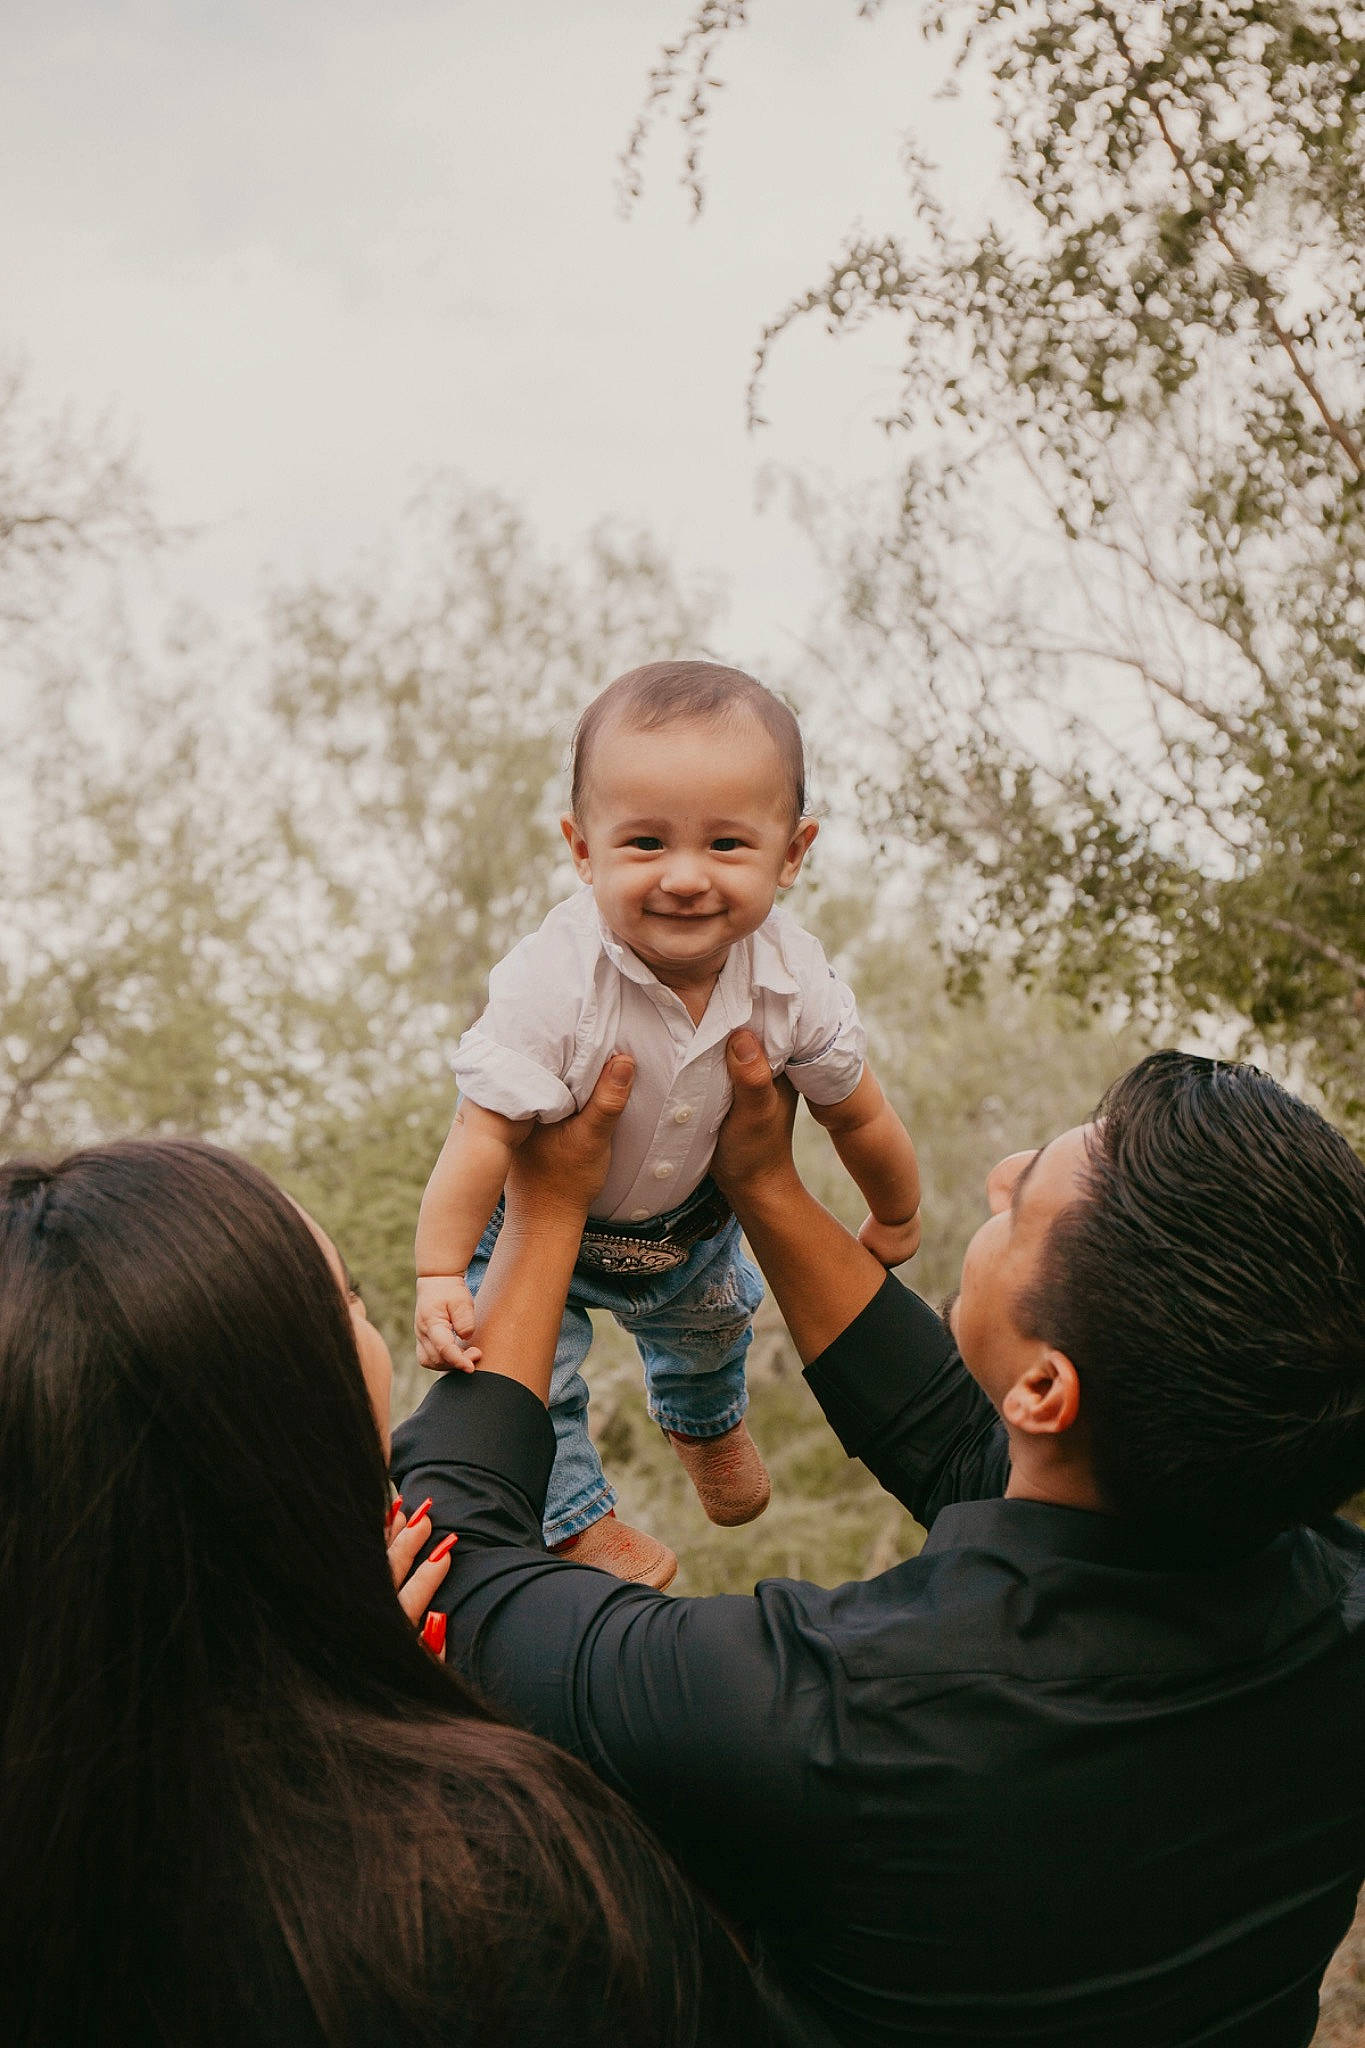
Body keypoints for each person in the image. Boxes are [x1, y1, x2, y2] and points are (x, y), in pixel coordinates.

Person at [392, 1041, 1365, 2047]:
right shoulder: (1334, 1603)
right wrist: (763, 1179)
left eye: (1021, 1198)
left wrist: (545, 1206)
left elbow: (464, 1574)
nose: (999, 1172)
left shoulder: (846, 1711)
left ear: (1043, 1389)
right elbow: (958, 1439)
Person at [0, 1137, 793, 2048]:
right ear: (287, 1402)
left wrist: (546, 1204)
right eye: (344, 1301)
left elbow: (477, 1432)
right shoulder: (487, 1886)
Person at [415, 660, 921, 1586]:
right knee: (526, 1378)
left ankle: (704, 1425)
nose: (684, 878)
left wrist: (894, 1213)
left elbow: (858, 1113)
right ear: (582, 848)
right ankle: (577, 1519)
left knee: (714, 1327)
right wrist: (439, 1268)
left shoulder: (793, 980)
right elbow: (480, 1133)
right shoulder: (552, 978)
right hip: (536, 1237)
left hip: (688, 1231)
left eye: (726, 844)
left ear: (792, 851)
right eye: (645, 842)